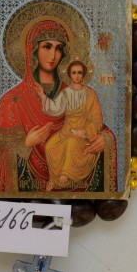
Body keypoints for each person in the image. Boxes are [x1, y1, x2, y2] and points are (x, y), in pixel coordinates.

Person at [0, 18, 110, 193]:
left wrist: (104, 140)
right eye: (47, 46)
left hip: (77, 180)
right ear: (33, 50)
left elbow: (96, 123)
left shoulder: (79, 93)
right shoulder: (11, 100)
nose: (53, 56)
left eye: (59, 48)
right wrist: (25, 144)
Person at [34, 60, 104, 191]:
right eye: (74, 72)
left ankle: (65, 175)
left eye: (79, 73)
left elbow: (97, 119)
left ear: (83, 74)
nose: (77, 76)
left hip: (82, 134)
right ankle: (53, 178)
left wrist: (85, 132)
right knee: (49, 146)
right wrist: (43, 96)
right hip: (65, 131)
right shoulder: (65, 93)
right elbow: (55, 109)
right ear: (70, 74)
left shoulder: (90, 94)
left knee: (71, 142)